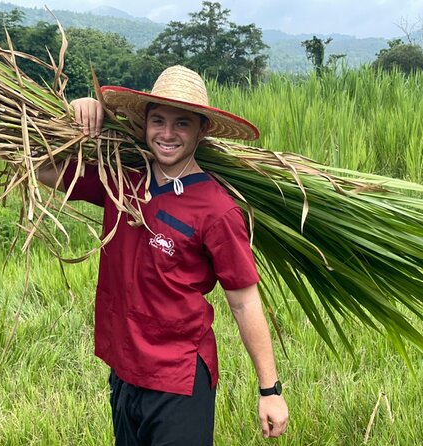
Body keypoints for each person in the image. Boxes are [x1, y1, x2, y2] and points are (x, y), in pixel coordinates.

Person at [39, 65, 288, 445]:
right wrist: (78, 116)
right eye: (158, 120)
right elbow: (45, 169)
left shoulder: (217, 210)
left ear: (201, 130)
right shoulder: (120, 179)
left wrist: (270, 390)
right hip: (124, 370)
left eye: (182, 124)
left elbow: (243, 301)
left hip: (178, 379)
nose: (167, 134)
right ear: (144, 124)